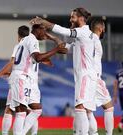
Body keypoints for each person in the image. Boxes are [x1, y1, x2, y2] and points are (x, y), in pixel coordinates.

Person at [30, 7, 98, 135]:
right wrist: (50, 37)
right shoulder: (85, 35)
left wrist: (43, 21)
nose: (70, 19)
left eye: (73, 17)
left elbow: (65, 31)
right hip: (88, 76)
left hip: (85, 76)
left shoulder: (82, 32)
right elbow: (66, 49)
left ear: (81, 19)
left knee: (80, 108)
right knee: (86, 110)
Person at [7, 24, 66, 135]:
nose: (44, 33)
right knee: (21, 111)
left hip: (26, 78)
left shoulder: (25, 40)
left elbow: (34, 58)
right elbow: (38, 57)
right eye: (43, 30)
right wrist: (56, 49)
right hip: (21, 77)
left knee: (36, 109)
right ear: (37, 30)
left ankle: (22, 133)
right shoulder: (32, 40)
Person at [0, 25, 40, 135]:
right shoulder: (33, 45)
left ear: (18, 35)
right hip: (33, 81)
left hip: (21, 80)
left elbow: (13, 63)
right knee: (33, 111)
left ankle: (7, 133)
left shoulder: (20, 45)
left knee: (11, 109)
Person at [85, 18, 114, 135]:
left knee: (88, 111)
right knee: (109, 107)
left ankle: (94, 133)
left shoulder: (85, 38)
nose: (104, 31)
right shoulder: (95, 40)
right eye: (104, 29)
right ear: (101, 29)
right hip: (94, 78)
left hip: (84, 78)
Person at [113, 62, 123, 132]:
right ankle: (121, 123)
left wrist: (115, 96)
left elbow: (115, 84)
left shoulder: (119, 74)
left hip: (121, 94)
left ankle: (121, 124)